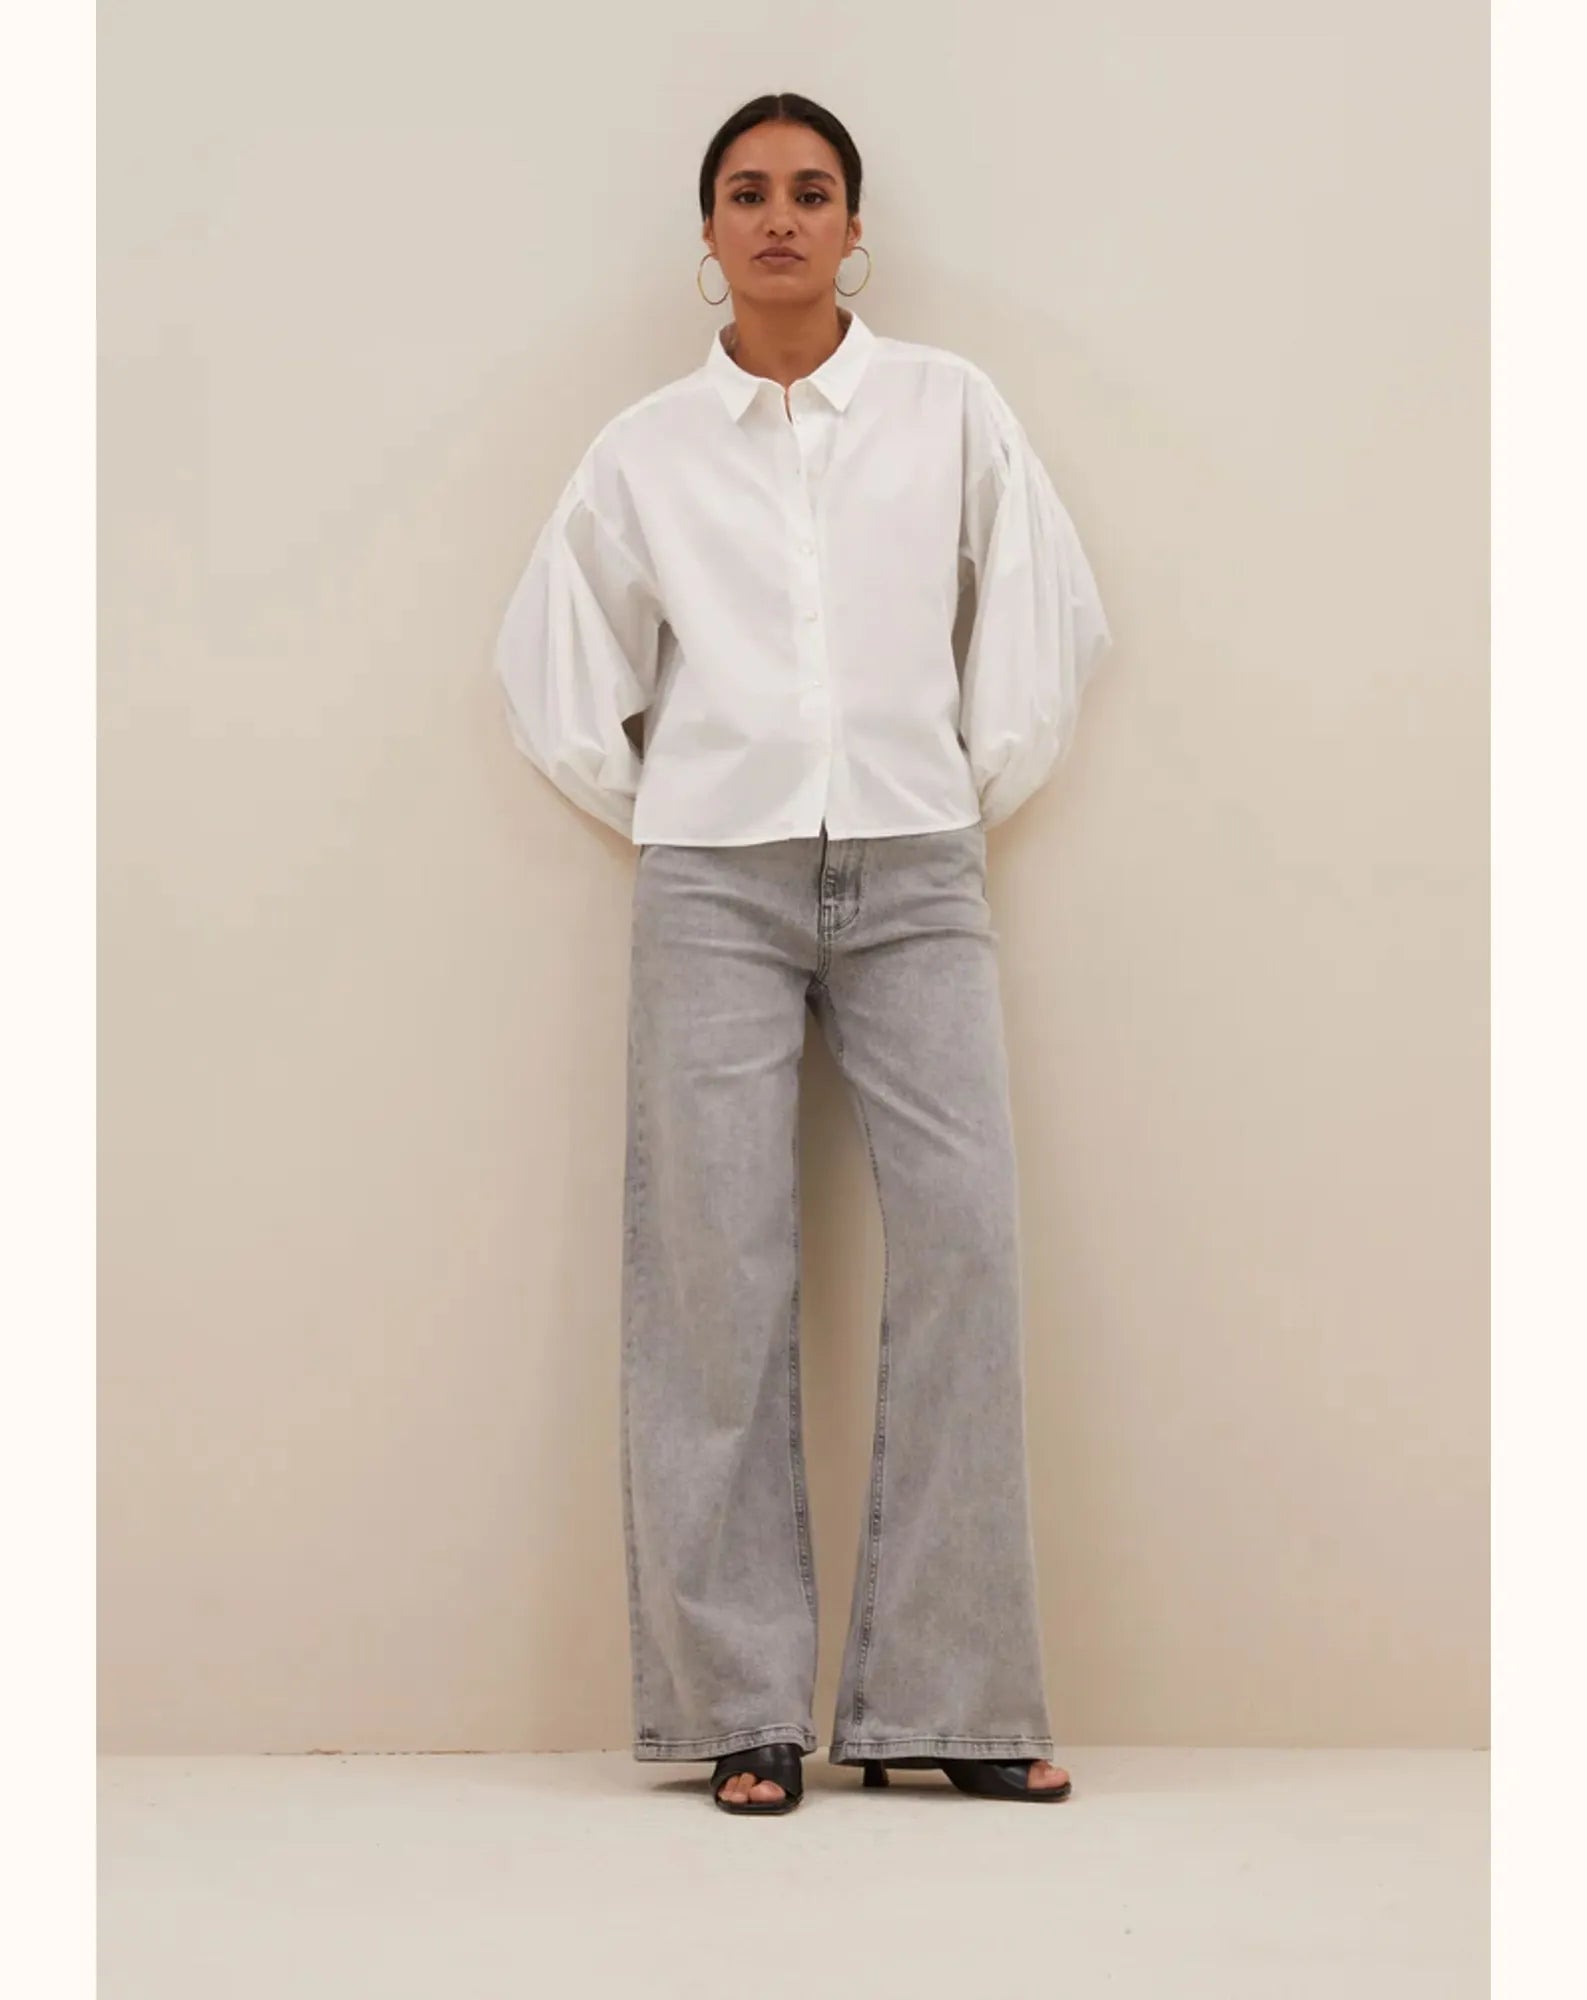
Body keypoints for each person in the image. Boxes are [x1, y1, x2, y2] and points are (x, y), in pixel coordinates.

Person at [493, 92, 1111, 1816]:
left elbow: (1048, 613)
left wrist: (953, 788)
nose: (781, 216)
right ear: (709, 235)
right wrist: (682, 807)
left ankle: (954, 1698)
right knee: (713, 1272)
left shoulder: (949, 407)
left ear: (854, 227)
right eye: (749, 192)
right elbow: (553, 665)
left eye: (812, 190)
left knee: (967, 1246)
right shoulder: (643, 451)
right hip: (714, 883)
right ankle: (738, 1706)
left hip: (917, 871)